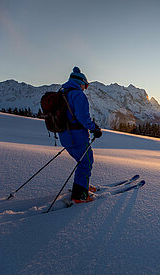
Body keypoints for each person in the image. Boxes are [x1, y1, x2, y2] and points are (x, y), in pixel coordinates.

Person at [58, 66, 102, 203]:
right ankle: (79, 195)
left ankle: (82, 185)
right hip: (77, 136)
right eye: (86, 85)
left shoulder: (62, 92)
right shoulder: (78, 95)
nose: (85, 88)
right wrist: (94, 128)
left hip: (64, 136)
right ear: (80, 82)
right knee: (86, 162)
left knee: (82, 161)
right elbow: (83, 118)